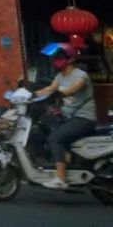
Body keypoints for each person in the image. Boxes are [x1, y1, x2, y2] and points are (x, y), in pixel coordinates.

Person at [35, 43, 96, 190]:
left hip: (84, 118)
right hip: (69, 117)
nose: (55, 60)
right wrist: (29, 94)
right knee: (42, 128)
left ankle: (61, 178)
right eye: (54, 58)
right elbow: (50, 88)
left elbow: (72, 89)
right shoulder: (59, 76)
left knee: (55, 138)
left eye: (58, 57)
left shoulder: (81, 75)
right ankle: (64, 159)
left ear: (69, 59)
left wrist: (57, 93)